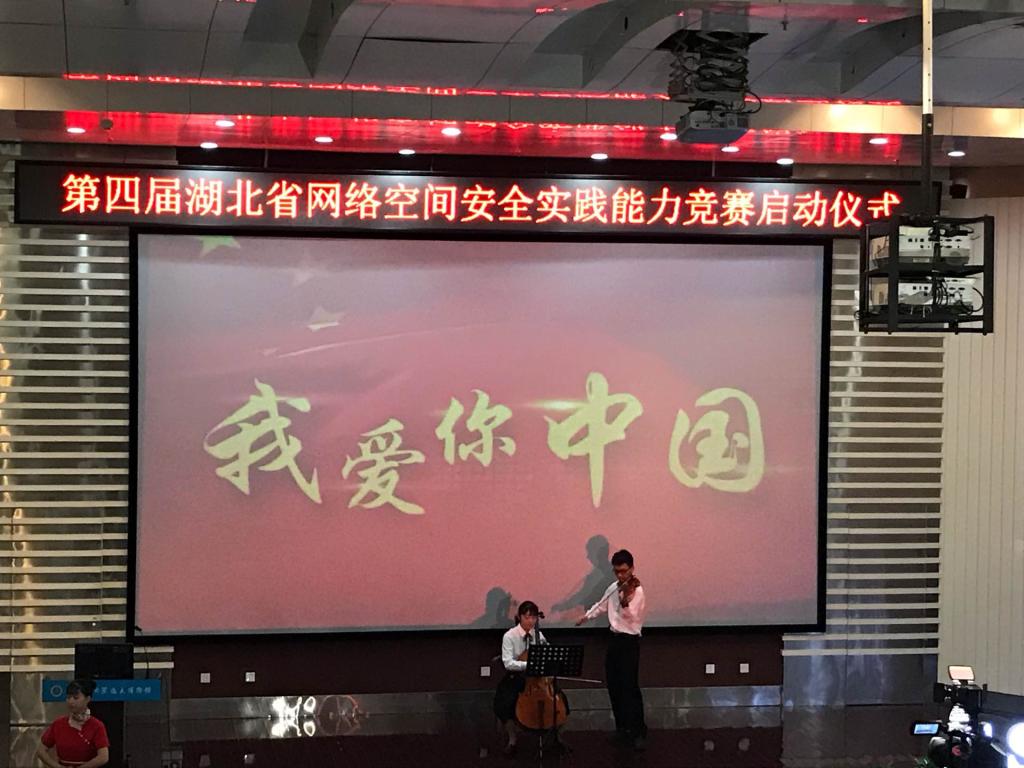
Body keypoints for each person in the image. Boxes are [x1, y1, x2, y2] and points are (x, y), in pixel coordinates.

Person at [576, 549, 647, 751]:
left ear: (632, 569)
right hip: (614, 640)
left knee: (629, 688)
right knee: (614, 687)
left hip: (629, 642)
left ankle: (638, 731)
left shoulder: (637, 591)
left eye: (624, 571)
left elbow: (632, 616)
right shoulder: (613, 587)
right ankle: (622, 728)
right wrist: (586, 617)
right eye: (617, 572)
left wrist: (625, 596)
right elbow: (602, 604)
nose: (620, 576)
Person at [493, 601, 547, 755]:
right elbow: (508, 663)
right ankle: (512, 739)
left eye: (534, 618)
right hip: (516, 676)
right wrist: (528, 665)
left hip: (536, 679)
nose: (530, 621)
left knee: (561, 700)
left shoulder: (538, 635)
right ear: (520, 617)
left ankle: (554, 737)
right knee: (503, 704)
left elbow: (546, 652)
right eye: (527, 617)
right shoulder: (510, 636)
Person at [36, 679, 110, 768]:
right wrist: (57, 766)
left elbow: (103, 757)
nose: (71, 701)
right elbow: (41, 750)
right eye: (68, 697)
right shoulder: (58, 724)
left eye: (75, 698)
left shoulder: (96, 726)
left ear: (87, 699)